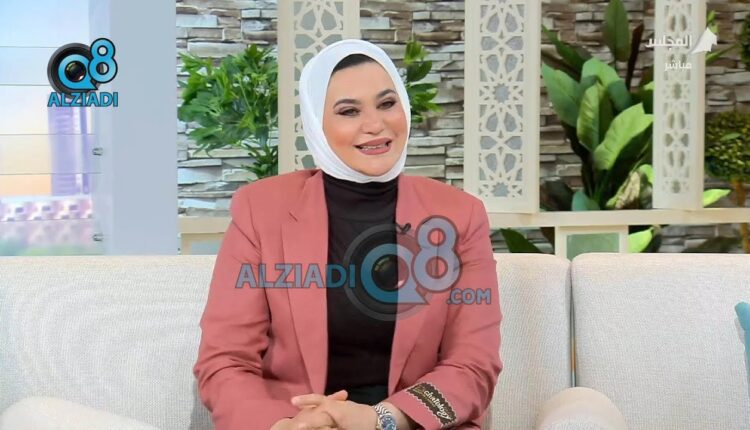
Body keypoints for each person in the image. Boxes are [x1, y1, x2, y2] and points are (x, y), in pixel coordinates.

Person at [193, 38, 503, 430]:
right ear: (316, 124)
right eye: (349, 111)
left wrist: (380, 419)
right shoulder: (261, 210)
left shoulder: (459, 216)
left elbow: (473, 366)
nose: (374, 124)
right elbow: (225, 361)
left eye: (387, 103)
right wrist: (282, 426)